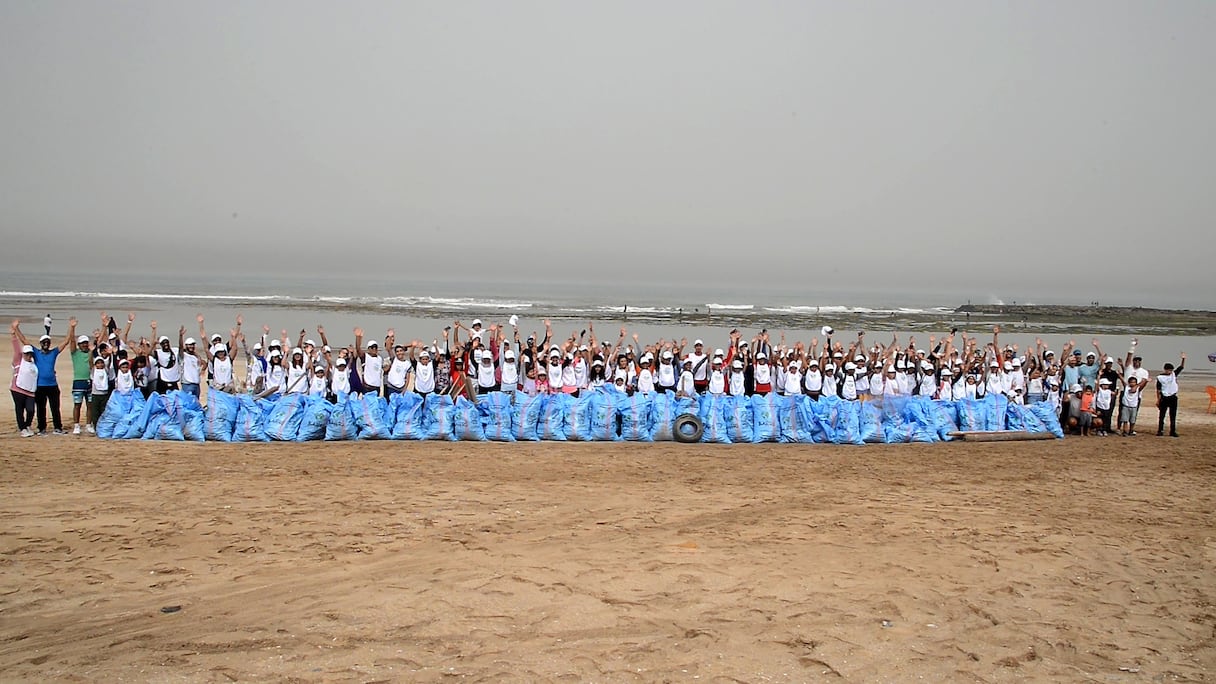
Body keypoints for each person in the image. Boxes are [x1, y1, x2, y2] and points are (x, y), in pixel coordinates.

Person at [15, 316, 76, 435]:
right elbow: (24, 340)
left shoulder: (53, 352)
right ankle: (42, 429)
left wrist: (71, 327)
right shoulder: (36, 353)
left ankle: (58, 428)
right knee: (41, 409)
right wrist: (16, 328)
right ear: (41, 343)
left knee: (55, 408)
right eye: (44, 342)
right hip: (40, 386)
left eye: (47, 342)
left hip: (53, 385)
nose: (46, 344)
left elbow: (66, 340)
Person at [10, 321, 38, 436]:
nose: (28, 355)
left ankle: (27, 425)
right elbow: (17, 348)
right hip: (17, 388)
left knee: (31, 410)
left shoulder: (33, 363)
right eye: (26, 354)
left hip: (30, 391)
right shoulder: (19, 360)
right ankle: (22, 429)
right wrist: (13, 334)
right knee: (19, 409)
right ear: (23, 354)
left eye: (30, 354)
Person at [1155, 353, 1185, 437]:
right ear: (1165, 369)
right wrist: (1158, 399)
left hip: (1173, 397)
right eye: (1168, 370)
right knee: (1162, 415)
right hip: (1164, 398)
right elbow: (1158, 389)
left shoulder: (1173, 375)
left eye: (1171, 370)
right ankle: (1160, 430)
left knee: (1173, 415)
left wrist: (1183, 359)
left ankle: (1173, 431)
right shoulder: (1160, 378)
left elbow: (1181, 367)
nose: (1169, 371)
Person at [69, 332, 93, 434]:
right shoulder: (75, 353)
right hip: (78, 382)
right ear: (79, 345)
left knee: (90, 405)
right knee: (77, 405)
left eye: (86, 343)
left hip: (90, 381)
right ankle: (76, 425)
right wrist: (72, 328)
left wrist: (104, 327)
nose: (84, 345)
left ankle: (88, 425)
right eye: (82, 343)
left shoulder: (91, 353)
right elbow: (72, 341)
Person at [88, 355, 111, 432]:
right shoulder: (93, 371)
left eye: (101, 363)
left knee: (104, 412)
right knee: (95, 413)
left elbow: (109, 362)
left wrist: (111, 354)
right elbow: (90, 363)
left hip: (104, 395)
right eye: (98, 363)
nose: (100, 365)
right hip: (95, 395)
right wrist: (91, 352)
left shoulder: (106, 370)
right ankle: (96, 427)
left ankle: (103, 428)